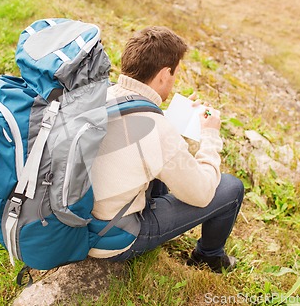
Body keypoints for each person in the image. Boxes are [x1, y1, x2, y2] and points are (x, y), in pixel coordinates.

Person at [89, 26, 245, 273]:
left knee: (160, 170)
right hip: (111, 238)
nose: (173, 82)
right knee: (231, 188)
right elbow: (203, 193)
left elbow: (132, 136)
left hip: (78, 221)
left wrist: (171, 119)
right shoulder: (158, 131)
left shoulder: (101, 94)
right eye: (174, 75)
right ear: (163, 74)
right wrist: (210, 135)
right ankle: (209, 256)